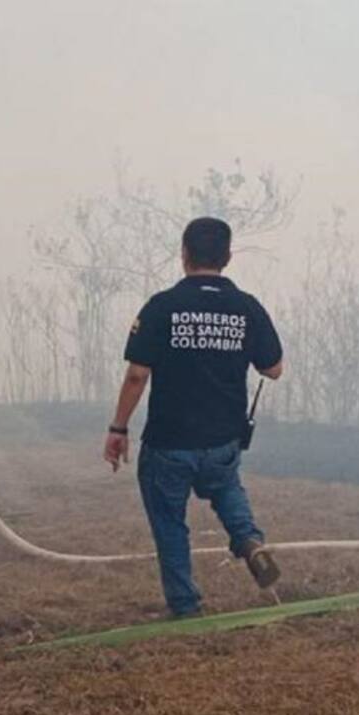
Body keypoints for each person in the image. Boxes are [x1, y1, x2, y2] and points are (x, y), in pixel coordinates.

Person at [104, 216, 284, 617]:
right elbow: (273, 369)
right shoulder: (246, 308)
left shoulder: (162, 306)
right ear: (227, 257)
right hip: (222, 438)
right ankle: (249, 540)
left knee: (170, 522)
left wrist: (118, 427)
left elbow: (137, 374)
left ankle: (185, 605)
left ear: (184, 254)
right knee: (226, 488)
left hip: (169, 440)